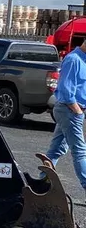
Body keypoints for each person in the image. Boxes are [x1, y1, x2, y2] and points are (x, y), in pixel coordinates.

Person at [44, 38, 86, 195]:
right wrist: (77, 110)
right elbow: (66, 90)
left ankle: (43, 182)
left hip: (73, 111)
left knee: (57, 149)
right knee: (80, 151)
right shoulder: (73, 60)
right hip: (69, 110)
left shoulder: (83, 60)